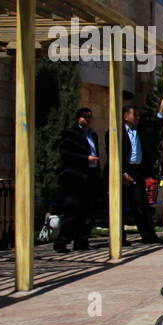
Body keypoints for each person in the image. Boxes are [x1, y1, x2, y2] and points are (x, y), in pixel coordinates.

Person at [108, 98, 163, 245]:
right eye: (135, 115)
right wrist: (121, 172)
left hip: (137, 171)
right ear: (125, 116)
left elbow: (155, 129)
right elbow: (112, 154)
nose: (138, 118)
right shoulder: (116, 132)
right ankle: (119, 238)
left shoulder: (141, 131)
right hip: (122, 171)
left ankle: (148, 236)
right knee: (119, 207)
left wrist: (160, 112)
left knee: (142, 206)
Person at [55, 106, 99, 253]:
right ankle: (62, 241)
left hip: (89, 176)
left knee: (87, 212)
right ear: (78, 118)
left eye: (89, 116)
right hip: (75, 176)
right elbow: (66, 153)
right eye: (84, 116)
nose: (87, 119)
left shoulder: (93, 135)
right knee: (71, 211)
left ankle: (82, 240)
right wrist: (86, 159)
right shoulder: (71, 133)